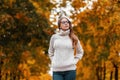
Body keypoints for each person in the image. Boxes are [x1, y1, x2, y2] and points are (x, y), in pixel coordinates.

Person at [48, 15, 84, 80]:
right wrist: (53, 61)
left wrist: (74, 61)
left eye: (67, 22)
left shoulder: (74, 38)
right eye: (63, 22)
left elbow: (80, 52)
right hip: (57, 71)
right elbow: (50, 52)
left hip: (70, 70)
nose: (66, 23)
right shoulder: (54, 37)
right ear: (59, 25)